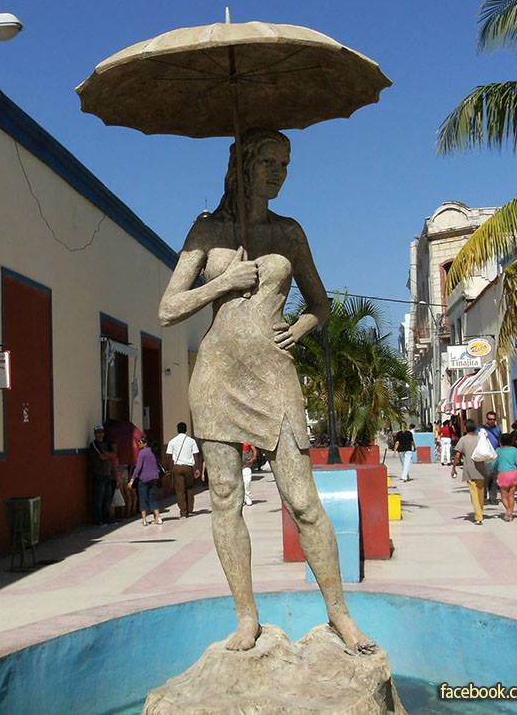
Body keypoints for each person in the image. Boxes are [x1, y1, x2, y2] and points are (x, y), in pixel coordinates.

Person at [158, 129, 372, 653]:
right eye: (269, 162)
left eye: (286, 163)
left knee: (302, 499)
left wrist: (299, 328)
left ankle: (340, 613)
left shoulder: (289, 233)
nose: (279, 172)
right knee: (226, 497)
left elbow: (318, 304)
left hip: (274, 375)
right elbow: (167, 309)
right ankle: (245, 617)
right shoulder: (207, 231)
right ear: (243, 164)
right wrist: (222, 283)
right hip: (217, 376)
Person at [452, 419, 486, 524]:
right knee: (480, 492)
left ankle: (478, 516)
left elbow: (457, 455)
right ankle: (480, 511)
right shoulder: (481, 438)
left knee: (474, 494)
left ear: (466, 428)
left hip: (469, 470)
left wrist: (453, 468)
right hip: (481, 469)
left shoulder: (463, 439)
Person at [166, 422, 202, 518]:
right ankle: (190, 509)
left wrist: (169, 469)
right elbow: (196, 455)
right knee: (189, 488)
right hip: (188, 467)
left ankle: (183, 511)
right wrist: (197, 469)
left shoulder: (172, 441)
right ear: (186, 430)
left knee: (179, 490)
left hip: (177, 467)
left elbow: (169, 457)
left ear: (177, 430)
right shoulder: (191, 441)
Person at [129, 435, 163, 527]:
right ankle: (158, 518)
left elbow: (138, 467)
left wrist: (132, 479)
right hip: (153, 479)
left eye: (140, 443)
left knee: (143, 499)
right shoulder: (153, 452)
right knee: (152, 498)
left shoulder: (142, 453)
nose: (138, 444)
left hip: (143, 479)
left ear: (145, 443)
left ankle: (144, 520)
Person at [490, 431, 517, 522]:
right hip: (514, 474)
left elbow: (494, 463)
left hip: (503, 475)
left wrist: (490, 471)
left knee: (503, 496)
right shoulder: (514, 450)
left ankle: (509, 511)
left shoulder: (498, 450)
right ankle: (510, 513)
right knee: (511, 496)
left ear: (501, 442)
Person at [87, 424, 116, 525]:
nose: (100, 434)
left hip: (107, 474)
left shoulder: (105, 444)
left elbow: (113, 455)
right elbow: (102, 456)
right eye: (98, 432)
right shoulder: (94, 444)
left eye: (101, 432)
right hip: (99, 475)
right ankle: (98, 521)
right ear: (95, 434)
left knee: (107, 499)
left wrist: (108, 455)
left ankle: (107, 519)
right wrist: (109, 455)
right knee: (98, 499)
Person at [480, 411, 502, 504]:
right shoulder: (481, 429)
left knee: (494, 477)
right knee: (485, 478)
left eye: (493, 419)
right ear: (486, 419)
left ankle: (493, 498)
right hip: (485, 456)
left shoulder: (498, 429)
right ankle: (484, 497)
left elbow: (500, 441)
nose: (491, 421)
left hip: (495, 456)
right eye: (490, 419)